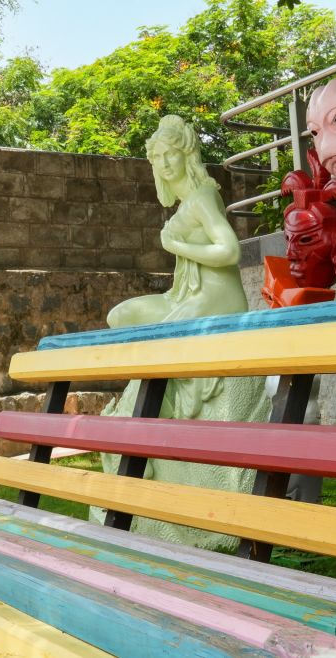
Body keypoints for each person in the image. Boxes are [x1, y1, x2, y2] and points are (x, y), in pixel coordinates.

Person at [93, 115, 273, 551]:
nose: (165, 162)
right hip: (185, 295)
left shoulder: (202, 196)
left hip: (217, 300)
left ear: (187, 153)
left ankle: (136, 432)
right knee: (122, 315)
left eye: (171, 153)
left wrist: (177, 246)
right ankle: (144, 424)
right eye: (157, 156)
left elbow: (229, 250)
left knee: (159, 339)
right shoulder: (182, 204)